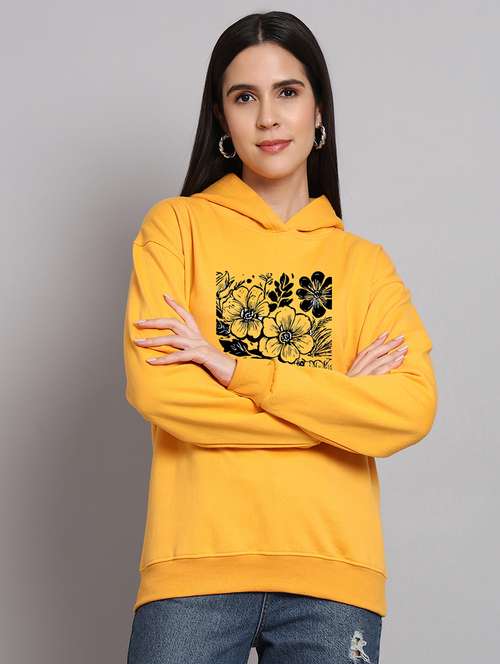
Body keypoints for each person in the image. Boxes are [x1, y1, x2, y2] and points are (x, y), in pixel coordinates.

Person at [123, 10, 438, 664]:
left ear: (318, 110)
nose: (268, 117)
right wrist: (337, 410)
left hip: (333, 575)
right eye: (245, 97)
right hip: (195, 569)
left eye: (287, 92)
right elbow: (160, 391)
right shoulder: (176, 230)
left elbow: (410, 407)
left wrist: (237, 372)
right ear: (222, 119)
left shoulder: (364, 265)